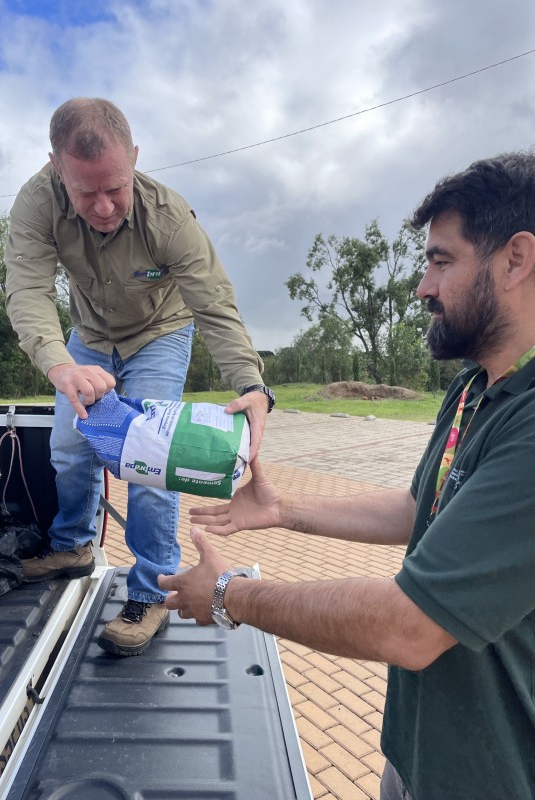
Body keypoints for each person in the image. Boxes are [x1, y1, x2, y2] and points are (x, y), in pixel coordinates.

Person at [159, 151, 535, 800]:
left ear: (517, 258)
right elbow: (422, 511)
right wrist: (285, 510)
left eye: (441, 260)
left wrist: (228, 596)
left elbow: (407, 626)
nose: (422, 286)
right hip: (420, 753)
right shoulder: (476, 387)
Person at [5, 97, 275, 658]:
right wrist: (60, 365)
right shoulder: (35, 202)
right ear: (57, 169)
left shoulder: (168, 216)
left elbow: (214, 305)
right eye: (86, 193)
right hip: (86, 339)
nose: (104, 208)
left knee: (151, 460)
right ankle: (74, 545)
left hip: (160, 332)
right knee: (68, 447)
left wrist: (251, 383)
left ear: (134, 158)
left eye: (116, 188)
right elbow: (27, 290)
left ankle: (150, 590)